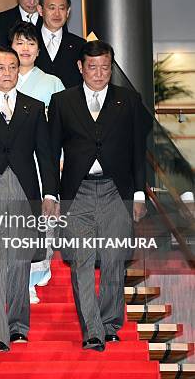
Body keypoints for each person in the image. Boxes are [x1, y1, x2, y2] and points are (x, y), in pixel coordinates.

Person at [48, 40, 147, 352]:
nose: (99, 73)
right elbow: (51, 152)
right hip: (76, 192)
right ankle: (91, 329)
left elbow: (137, 151)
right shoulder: (62, 101)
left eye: (105, 67)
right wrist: (51, 194)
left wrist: (140, 194)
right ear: (81, 68)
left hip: (116, 191)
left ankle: (109, 324)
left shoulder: (128, 100)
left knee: (115, 260)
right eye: (93, 67)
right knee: (81, 260)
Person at [0, 46, 58, 354]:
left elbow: (46, 155)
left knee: (19, 261)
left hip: (23, 189)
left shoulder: (34, 107)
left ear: (19, 71)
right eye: (0, 68)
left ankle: (18, 326)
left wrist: (50, 194)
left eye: (12, 67)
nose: (6, 73)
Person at [0, 22, 64, 304]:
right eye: (20, 43)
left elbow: (57, 131)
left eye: (31, 43)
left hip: (38, 165)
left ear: (39, 49)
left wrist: (58, 163)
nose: (25, 48)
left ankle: (31, 278)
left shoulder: (52, 82)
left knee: (38, 224)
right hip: (2, 170)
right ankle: (9, 277)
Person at [35, 0, 85, 89]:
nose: (57, 14)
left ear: (68, 12)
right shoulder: (28, 42)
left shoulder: (80, 45)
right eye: (52, 8)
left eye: (62, 8)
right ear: (40, 10)